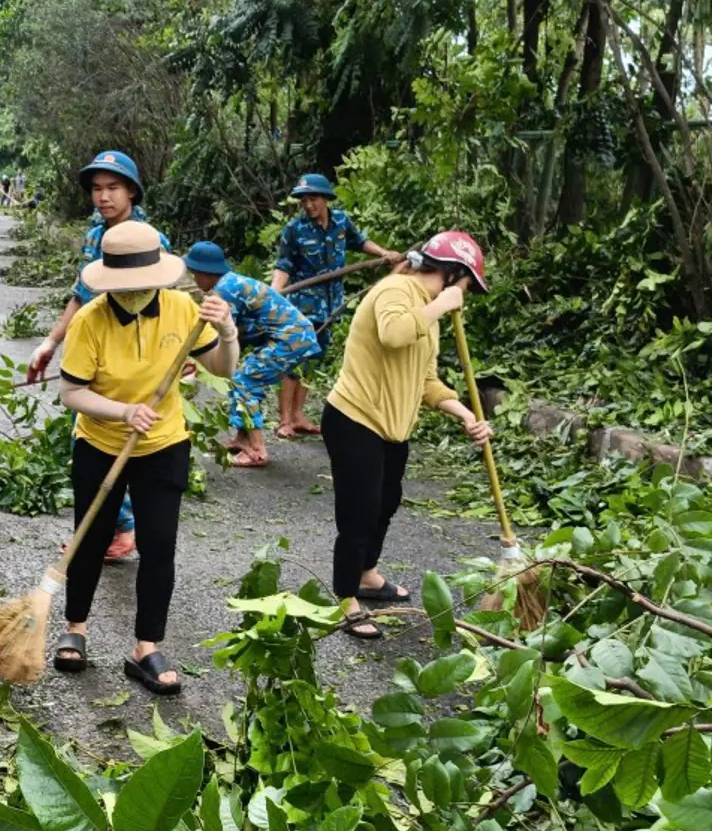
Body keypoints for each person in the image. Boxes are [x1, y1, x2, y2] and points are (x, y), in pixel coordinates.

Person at [52, 221, 240, 694]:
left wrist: (228, 330)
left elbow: (221, 367)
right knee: (91, 537)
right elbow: (71, 393)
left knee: (159, 546)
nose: (133, 294)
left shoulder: (183, 309)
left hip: (163, 444)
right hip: (99, 443)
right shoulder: (89, 321)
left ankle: (146, 647)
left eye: (141, 286)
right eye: (123, 287)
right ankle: (76, 627)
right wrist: (122, 411)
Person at [324, 232, 492, 641]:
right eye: (466, 286)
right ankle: (345, 597)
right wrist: (440, 305)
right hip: (354, 418)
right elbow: (394, 334)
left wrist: (466, 414)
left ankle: (366, 575)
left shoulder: (428, 313)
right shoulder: (396, 290)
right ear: (452, 275)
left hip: (393, 428)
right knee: (359, 511)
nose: (464, 296)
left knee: (386, 502)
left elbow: (426, 381)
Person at [26, 150, 169, 562]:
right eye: (96, 189)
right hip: (94, 353)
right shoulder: (96, 234)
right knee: (89, 437)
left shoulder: (148, 239)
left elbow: (167, 301)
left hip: (134, 361)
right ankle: (114, 527)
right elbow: (81, 294)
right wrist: (51, 343)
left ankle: (117, 530)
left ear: (132, 191)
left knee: (119, 441)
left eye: (113, 188)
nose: (103, 197)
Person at [270, 173, 398, 437]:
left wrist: (384, 253)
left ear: (326, 199)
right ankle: (284, 420)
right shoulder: (295, 230)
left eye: (313, 199)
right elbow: (283, 266)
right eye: (303, 200)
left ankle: (298, 416)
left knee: (314, 359)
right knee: (295, 359)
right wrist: (271, 296)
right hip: (302, 305)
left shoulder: (340, 221)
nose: (308, 205)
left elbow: (360, 241)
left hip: (330, 305)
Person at [183, 241, 318, 468]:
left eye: (195, 274)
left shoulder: (226, 290)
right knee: (243, 376)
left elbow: (223, 336)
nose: (195, 279)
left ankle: (257, 449)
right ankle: (242, 438)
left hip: (291, 338)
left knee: (244, 380)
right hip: (287, 336)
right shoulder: (229, 283)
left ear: (206, 272)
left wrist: (195, 362)